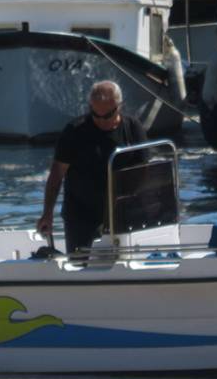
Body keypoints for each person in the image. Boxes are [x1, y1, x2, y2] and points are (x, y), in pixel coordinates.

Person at [37, 81, 147, 255]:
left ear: (119, 107)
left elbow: (144, 171)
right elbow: (57, 175)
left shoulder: (133, 129)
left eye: (107, 115)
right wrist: (47, 213)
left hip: (122, 213)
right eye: (96, 115)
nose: (102, 121)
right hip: (81, 215)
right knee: (81, 265)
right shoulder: (74, 131)